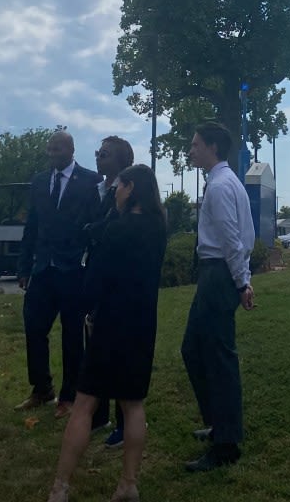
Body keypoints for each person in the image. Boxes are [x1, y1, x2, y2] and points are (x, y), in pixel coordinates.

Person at [46, 164, 168, 502]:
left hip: (109, 324)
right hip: (143, 324)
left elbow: (94, 283)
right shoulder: (159, 228)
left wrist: (85, 309)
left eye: (117, 187)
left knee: (84, 402)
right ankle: (128, 483)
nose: (114, 192)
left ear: (130, 188)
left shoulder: (116, 231)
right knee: (133, 404)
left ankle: (60, 486)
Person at [180, 121, 255, 472]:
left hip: (218, 274)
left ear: (212, 147)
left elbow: (231, 239)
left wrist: (242, 283)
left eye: (195, 144)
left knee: (219, 357)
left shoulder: (221, 186)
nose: (191, 149)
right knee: (193, 349)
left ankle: (226, 444)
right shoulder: (223, 182)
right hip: (216, 274)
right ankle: (218, 423)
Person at [16, 129, 101, 418]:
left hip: (72, 268)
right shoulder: (40, 182)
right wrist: (24, 266)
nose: (52, 154)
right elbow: (32, 226)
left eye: (57, 149)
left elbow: (94, 227)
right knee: (34, 327)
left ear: (71, 150)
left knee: (71, 334)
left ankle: (69, 395)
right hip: (43, 268)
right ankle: (42, 388)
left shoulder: (90, 181)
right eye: (49, 150)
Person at [90, 135, 135, 445]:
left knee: (119, 351)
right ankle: (99, 413)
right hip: (95, 274)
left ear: (120, 161)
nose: (99, 158)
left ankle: (123, 424)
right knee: (94, 345)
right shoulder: (97, 188)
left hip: (118, 281)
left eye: (104, 154)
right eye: (98, 153)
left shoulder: (127, 190)